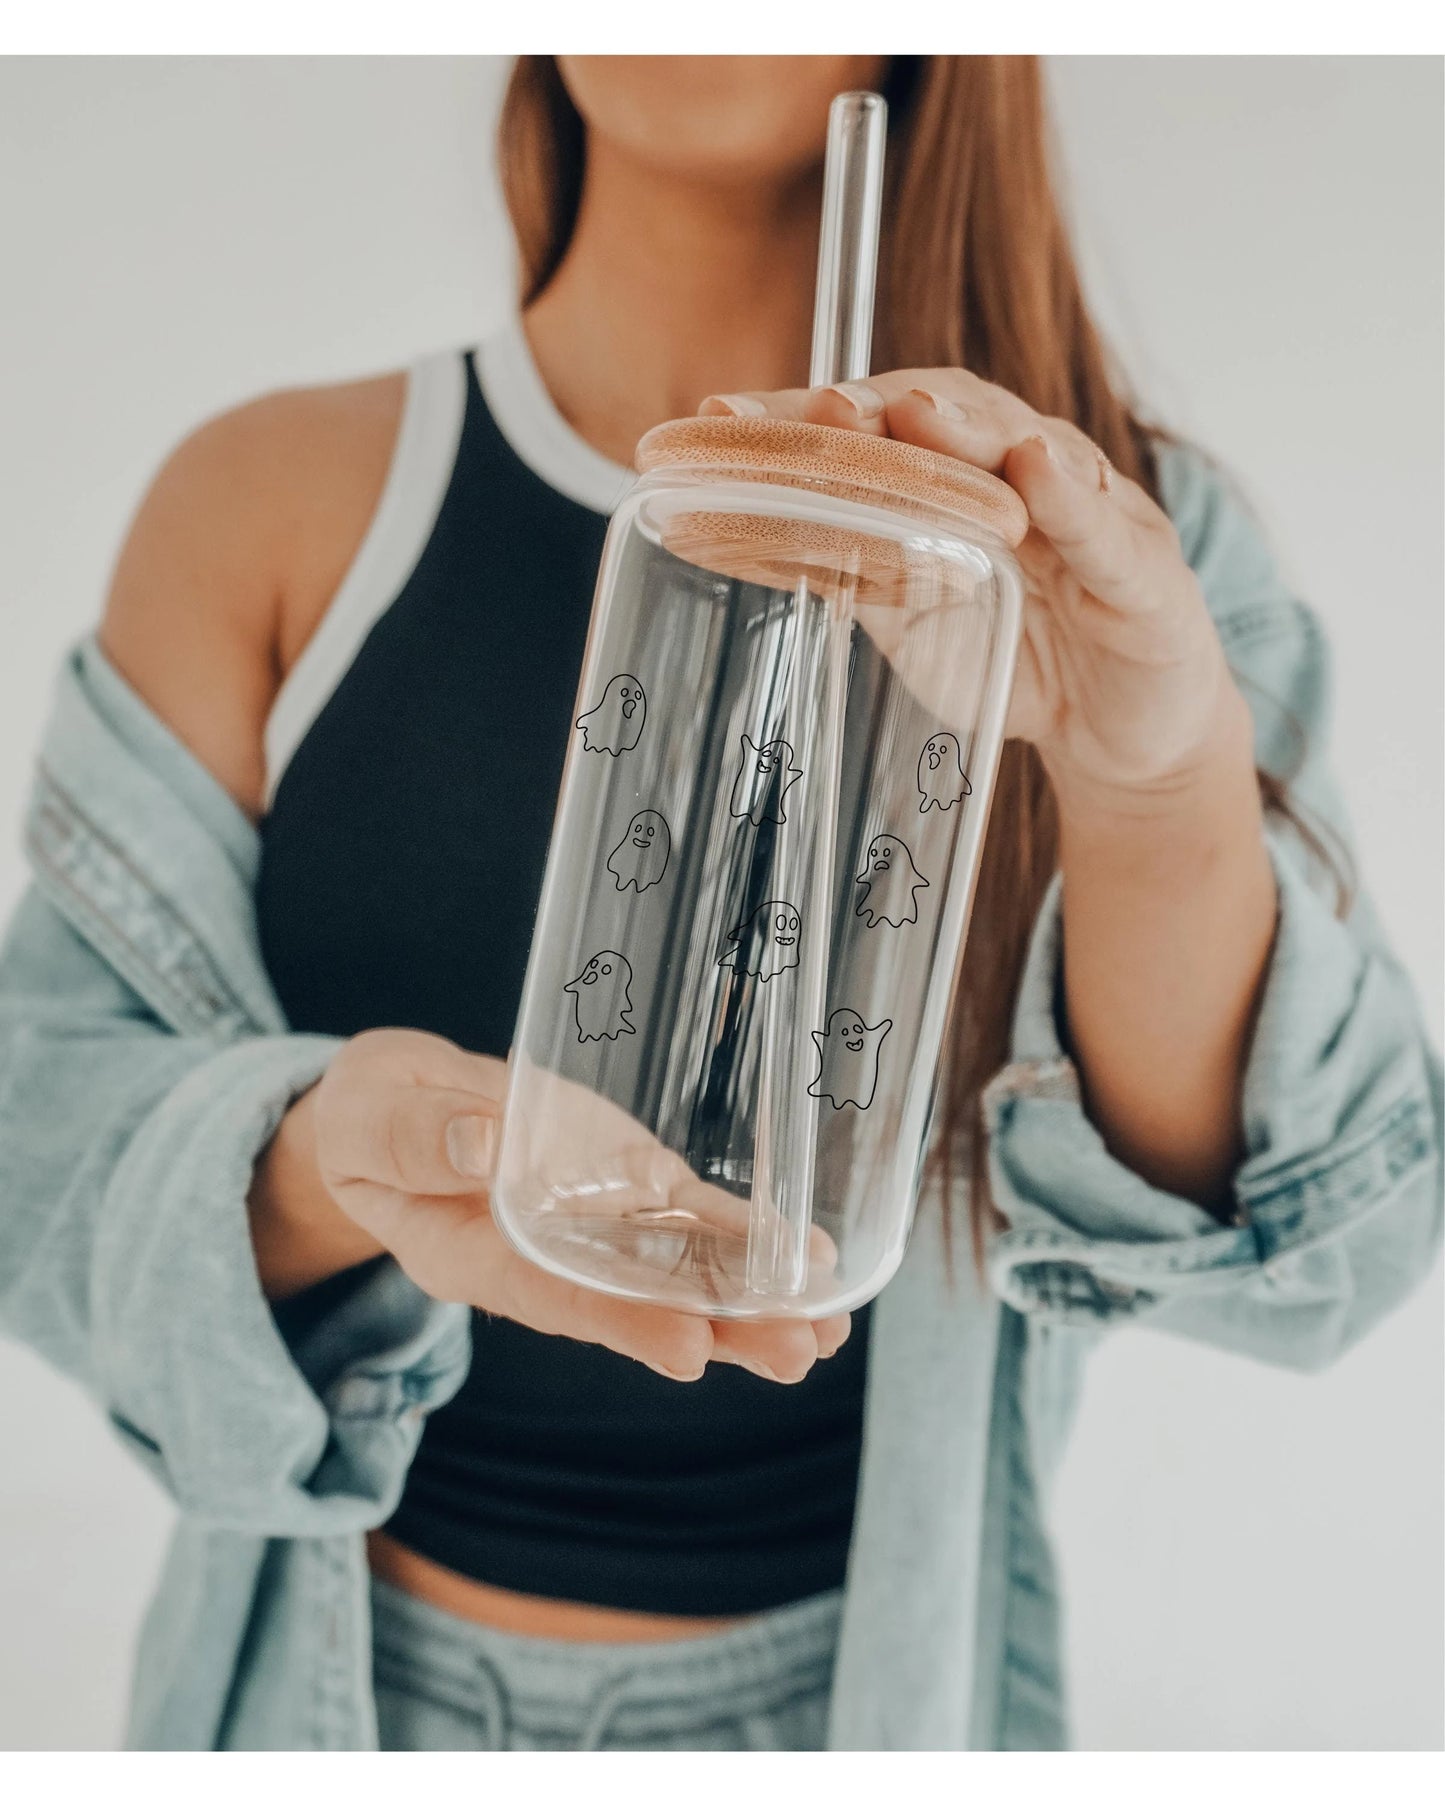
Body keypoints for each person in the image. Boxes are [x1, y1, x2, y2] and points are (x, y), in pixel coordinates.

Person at [0, 54, 1438, 1753]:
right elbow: (40, 1158)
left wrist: (1146, 778)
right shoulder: (274, 502)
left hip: (858, 1712)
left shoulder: (1118, 555)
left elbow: (1304, 1256)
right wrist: (328, 1151)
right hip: (322, 1708)